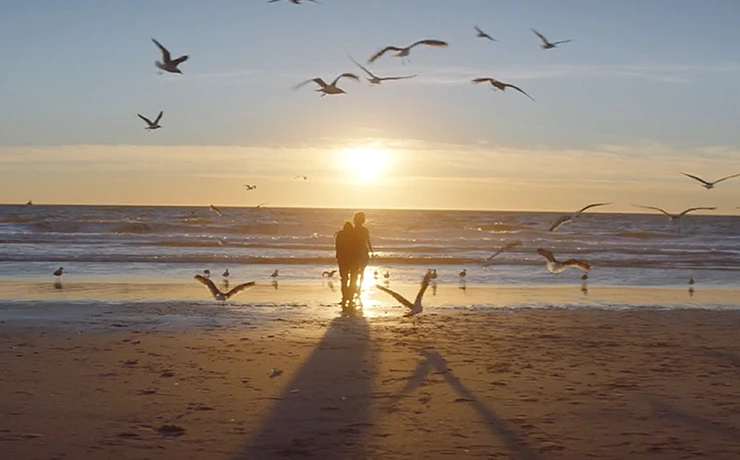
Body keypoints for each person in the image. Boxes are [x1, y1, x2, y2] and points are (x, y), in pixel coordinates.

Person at [335, 221, 359, 306]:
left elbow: (337, 248)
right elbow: (357, 249)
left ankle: (345, 297)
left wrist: (338, 257)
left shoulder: (340, 235)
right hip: (352, 261)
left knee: (345, 280)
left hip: (343, 261)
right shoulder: (355, 236)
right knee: (352, 279)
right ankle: (349, 297)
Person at [352, 211, 374, 292]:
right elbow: (368, 242)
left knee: (354, 272)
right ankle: (359, 288)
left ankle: (354, 288)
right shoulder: (365, 230)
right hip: (364, 252)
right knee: (361, 272)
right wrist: (372, 251)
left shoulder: (352, 230)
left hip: (355, 253)